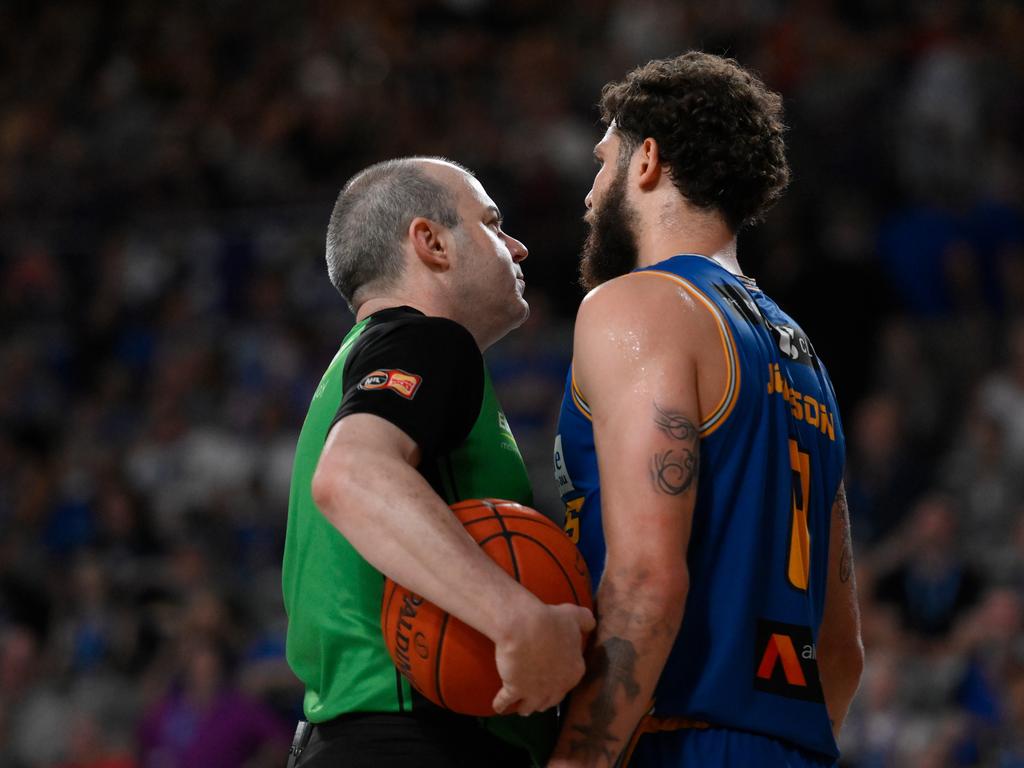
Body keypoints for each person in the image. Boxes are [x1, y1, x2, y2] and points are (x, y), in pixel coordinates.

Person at [548, 53, 864, 767]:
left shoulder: (638, 305)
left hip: (672, 739)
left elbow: (645, 582)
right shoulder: (804, 357)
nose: (591, 194)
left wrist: (576, 760)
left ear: (647, 161)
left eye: (603, 163)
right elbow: (841, 654)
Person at [281, 157, 595, 768]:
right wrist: (514, 618)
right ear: (430, 242)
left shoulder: (357, 360)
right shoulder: (429, 339)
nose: (519, 247)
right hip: (416, 739)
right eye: (493, 224)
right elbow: (352, 477)